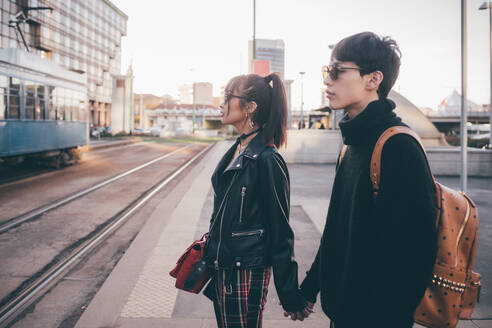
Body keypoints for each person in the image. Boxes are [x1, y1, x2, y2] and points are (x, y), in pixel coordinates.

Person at [298, 32, 438, 328]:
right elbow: (337, 228)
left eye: (336, 71)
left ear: (373, 79)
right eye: (327, 71)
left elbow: (418, 250)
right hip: (344, 312)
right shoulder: (351, 143)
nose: (327, 80)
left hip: (377, 316)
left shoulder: (399, 145)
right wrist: (311, 288)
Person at [203, 73, 312, 327]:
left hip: (244, 271)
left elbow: (280, 229)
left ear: (250, 107)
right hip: (223, 268)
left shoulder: (267, 159)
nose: (221, 104)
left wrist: (289, 295)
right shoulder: (238, 149)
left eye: (228, 97)